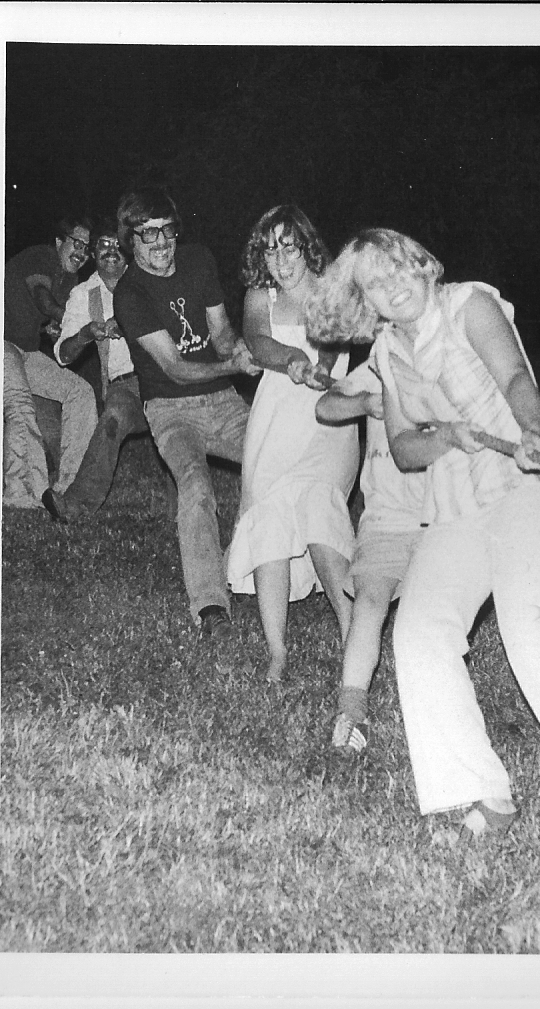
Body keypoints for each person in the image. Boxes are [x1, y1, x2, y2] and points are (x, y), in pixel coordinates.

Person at [306, 228, 540, 838]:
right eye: (374, 283)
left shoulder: (470, 304)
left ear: (421, 264)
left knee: (527, 628)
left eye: (397, 268)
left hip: (526, 489)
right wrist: (447, 436)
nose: (392, 286)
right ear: (365, 300)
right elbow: (403, 448)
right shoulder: (387, 354)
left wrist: (530, 431)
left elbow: (516, 378)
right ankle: (483, 791)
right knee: (419, 631)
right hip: (454, 512)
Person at [113, 187, 260, 640]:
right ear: (131, 241)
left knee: (273, 461)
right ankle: (211, 604)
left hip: (223, 399)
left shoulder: (198, 260)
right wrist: (232, 366)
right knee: (195, 486)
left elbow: (221, 332)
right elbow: (175, 369)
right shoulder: (129, 293)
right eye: (147, 233)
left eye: (167, 230)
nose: (160, 242)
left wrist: (241, 352)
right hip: (170, 408)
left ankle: (239, 563)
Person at [226, 206, 359, 683]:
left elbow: (335, 339)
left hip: (327, 419)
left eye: (289, 247)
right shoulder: (259, 297)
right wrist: (292, 358)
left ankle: (353, 635)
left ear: (307, 246)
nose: (280, 260)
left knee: (320, 507)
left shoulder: (334, 292)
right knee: (269, 512)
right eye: (270, 250)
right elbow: (258, 340)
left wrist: (319, 363)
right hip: (275, 420)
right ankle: (277, 651)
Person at [315, 359, 427, 751]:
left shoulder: (451, 362)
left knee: (430, 616)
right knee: (368, 602)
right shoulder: (381, 363)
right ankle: (352, 709)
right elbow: (326, 406)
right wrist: (365, 402)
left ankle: (436, 702)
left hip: (442, 518)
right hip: (385, 520)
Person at [44, 218, 176, 522]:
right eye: (104, 244)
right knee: (112, 418)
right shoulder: (83, 294)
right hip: (125, 388)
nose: (112, 250)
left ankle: (184, 508)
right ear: (93, 252)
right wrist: (87, 333)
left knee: (177, 429)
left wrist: (132, 322)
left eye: (118, 244)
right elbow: (63, 355)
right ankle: (74, 506)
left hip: (163, 374)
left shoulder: (148, 277)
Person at [3, 215, 98, 511]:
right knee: (20, 404)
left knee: (81, 392)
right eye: (76, 243)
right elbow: (43, 300)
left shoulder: (70, 280)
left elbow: (42, 316)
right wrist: (71, 320)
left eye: (87, 248)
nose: (81, 253)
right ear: (59, 242)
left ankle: (69, 486)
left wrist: (52, 329)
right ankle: (21, 491)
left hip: (25, 351)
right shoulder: (40, 256)